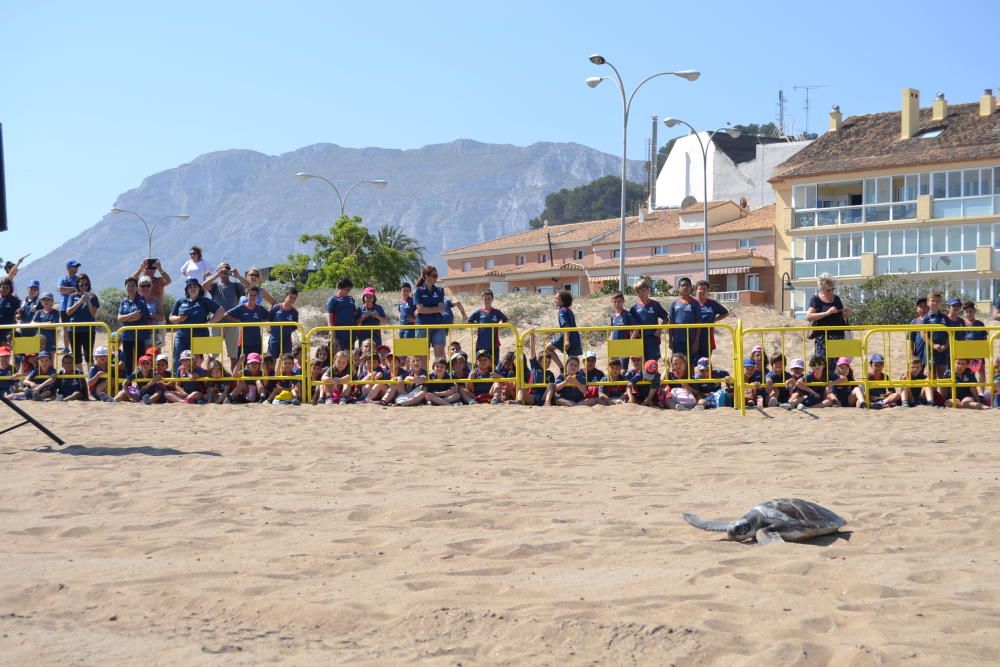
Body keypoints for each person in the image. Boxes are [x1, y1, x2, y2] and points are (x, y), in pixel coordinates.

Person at [169, 278, 225, 370]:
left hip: (200, 336)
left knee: (196, 361)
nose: (193, 288)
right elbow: (171, 317)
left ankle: (196, 382)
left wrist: (209, 322)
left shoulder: (204, 301)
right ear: (187, 289)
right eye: (190, 287)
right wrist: (178, 318)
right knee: (178, 360)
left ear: (199, 289)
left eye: (195, 286)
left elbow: (221, 310)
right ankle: (177, 381)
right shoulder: (181, 301)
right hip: (182, 336)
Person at [805, 273, 851, 377]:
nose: (831, 292)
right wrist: (827, 313)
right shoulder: (816, 299)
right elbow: (809, 316)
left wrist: (845, 314)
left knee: (836, 364)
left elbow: (840, 316)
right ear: (822, 289)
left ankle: (833, 386)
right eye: (828, 290)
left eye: (832, 289)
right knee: (822, 364)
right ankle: (823, 387)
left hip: (838, 336)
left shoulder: (837, 299)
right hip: (823, 338)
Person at [203, 261, 246, 367]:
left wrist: (238, 276)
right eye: (222, 269)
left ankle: (234, 380)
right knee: (211, 355)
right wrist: (217, 275)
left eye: (226, 268)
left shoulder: (236, 286)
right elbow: (204, 285)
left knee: (233, 356)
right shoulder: (215, 286)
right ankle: (208, 379)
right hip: (216, 323)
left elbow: (250, 287)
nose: (224, 271)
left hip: (232, 323)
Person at [131, 257, 171, 345]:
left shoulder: (159, 281)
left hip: (157, 315)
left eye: (153, 269)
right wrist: (139, 269)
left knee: (157, 346)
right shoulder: (140, 282)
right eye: (147, 268)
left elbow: (168, 280)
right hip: (143, 318)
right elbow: (131, 280)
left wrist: (160, 269)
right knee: (143, 345)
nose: (150, 271)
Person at [222, 285, 268, 361]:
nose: (252, 297)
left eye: (254, 295)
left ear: (257, 296)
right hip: (243, 342)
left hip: (256, 342)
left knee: (255, 364)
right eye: (250, 295)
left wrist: (261, 321)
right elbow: (226, 314)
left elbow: (268, 317)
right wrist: (238, 321)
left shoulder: (260, 308)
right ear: (246, 295)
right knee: (242, 365)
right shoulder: (241, 307)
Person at [629, 279, 669, 365]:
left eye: (643, 290)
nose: (641, 294)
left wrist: (659, 329)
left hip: (652, 339)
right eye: (638, 292)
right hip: (639, 340)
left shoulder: (655, 305)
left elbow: (666, 319)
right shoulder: (634, 308)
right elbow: (631, 325)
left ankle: (654, 378)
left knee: (652, 364)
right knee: (640, 365)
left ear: (648, 290)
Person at [64, 274, 100, 370]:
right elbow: (68, 312)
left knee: (88, 355)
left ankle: (91, 379)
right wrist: (80, 301)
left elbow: (93, 314)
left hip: (88, 330)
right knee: (77, 356)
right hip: (74, 330)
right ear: (77, 285)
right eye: (81, 285)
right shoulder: (72, 297)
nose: (84, 286)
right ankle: (80, 381)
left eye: (86, 284)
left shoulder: (93, 297)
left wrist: (88, 301)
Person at [922, 292, 960, 379]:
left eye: (938, 301)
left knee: (942, 376)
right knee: (931, 377)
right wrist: (933, 345)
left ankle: (941, 393)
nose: (935, 303)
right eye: (933, 301)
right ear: (928, 302)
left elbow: (950, 333)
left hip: (943, 350)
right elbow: (923, 334)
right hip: (930, 351)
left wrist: (946, 346)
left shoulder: (945, 318)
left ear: (940, 303)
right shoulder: (926, 318)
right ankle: (932, 393)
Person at [117, 276, 151, 375]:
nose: (130, 288)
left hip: (139, 336)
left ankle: (140, 384)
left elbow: (138, 317)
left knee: (140, 360)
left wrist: (125, 318)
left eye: (133, 285)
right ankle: (129, 385)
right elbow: (119, 318)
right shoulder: (123, 302)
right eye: (128, 286)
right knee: (128, 361)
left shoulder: (141, 300)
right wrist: (131, 315)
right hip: (126, 336)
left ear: (137, 288)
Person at [414, 266, 448, 360]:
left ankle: (442, 374)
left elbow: (441, 308)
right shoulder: (418, 291)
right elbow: (420, 309)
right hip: (422, 326)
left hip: (437, 325)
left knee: (440, 353)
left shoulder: (440, 290)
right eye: (434, 275)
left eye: (437, 275)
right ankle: (424, 374)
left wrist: (426, 309)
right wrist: (435, 309)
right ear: (426, 276)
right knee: (423, 355)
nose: (436, 278)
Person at [668, 278, 701, 370]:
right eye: (683, 285)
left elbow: (698, 322)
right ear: (679, 288)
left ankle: (690, 383)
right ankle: (676, 383)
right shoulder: (674, 304)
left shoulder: (695, 303)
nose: (685, 287)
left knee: (690, 364)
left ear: (691, 288)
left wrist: (696, 341)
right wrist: (670, 340)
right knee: (676, 363)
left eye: (688, 285)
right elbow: (671, 322)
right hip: (678, 340)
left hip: (690, 339)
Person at [467, 290, 509, 361]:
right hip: (481, 344)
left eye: (489, 299)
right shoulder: (479, 312)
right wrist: (477, 325)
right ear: (482, 300)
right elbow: (469, 321)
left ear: (492, 299)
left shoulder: (497, 312)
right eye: (485, 299)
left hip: (494, 345)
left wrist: (501, 324)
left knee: (494, 366)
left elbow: (506, 319)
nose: (487, 301)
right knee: (480, 366)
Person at [545, 290, 581, 371]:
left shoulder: (562, 311)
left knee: (548, 348)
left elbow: (566, 325)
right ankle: (565, 370)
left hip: (567, 336)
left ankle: (562, 368)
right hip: (574, 337)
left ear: (563, 301)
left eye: (557, 299)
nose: (555, 300)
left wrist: (566, 340)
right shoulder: (568, 310)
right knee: (574, 360)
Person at [694, 280, 729, 361]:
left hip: (707, 339)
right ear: (696, 291)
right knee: (692, 364)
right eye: (700, 289)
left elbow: (725, 313)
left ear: (708, 291)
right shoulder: (691, 303)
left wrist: (714, 320)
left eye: (704, 289)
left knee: (705, 363)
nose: (702, 291)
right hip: (692, 338)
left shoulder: (712, 304)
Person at [957, 301, 987, 383]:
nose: (969, 313)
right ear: (963, 313)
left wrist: (982, 351)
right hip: (966, 353)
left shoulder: (980, 324)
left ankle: (982, 392)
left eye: (971, 311)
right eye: (966, 312)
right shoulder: (962, 324)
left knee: (981, 371)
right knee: (969, 372)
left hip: (978, 352)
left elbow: (984, 338)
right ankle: (970, 391)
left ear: (974, 312)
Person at [326, 277, 357, 352]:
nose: (348, 291)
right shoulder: (333, 300)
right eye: (346, 289)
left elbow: (354, 313)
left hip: (350, 332)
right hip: (338, 332)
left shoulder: (351, 299)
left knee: (349, 353)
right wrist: (331, 331)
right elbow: (329, 316)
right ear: (340, 287)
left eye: (349, 289)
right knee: (338, 353)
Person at [267, 287, 299, 359]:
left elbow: (294, 327)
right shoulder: (276, 307)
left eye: (294, 298)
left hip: (286, 341)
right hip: (274, 339)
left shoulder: (295, 312)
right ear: (285, 296)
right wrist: (273, 330)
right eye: (290, 297)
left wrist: (286, 332)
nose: (292, 300)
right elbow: (269, 320)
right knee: (272, 359)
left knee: (286, 360)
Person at [57, 260, 81, 353]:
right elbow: (60, 289)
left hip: (74, 306)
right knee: (66, 329)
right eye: (74, 266)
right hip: (64, 307)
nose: (76, 268)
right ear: (68, 268)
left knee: (74, 328)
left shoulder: (78, 279)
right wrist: (74, 289)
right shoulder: (63, 279)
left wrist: (68, 290)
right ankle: (66, 348)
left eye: (77, 267)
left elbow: (79, 290)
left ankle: (75, 348)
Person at [908, 297, 930, 364]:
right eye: (921, 306)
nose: (923, 309)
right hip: (919, 351)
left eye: (926, 306)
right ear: (916, 309)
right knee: (918, 371)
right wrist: (912, 354)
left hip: (931, 351)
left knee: (931, 371)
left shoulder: (933, 320)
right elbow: (911, 339)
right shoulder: (914, 322)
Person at [0, 279, 21, 346]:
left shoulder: (15, 300)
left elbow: (18, 313)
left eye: (7, 288)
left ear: (10, 289)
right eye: (3, 287)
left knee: (5, 351)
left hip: (8, 330)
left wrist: (18, 314)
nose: (4, 289)